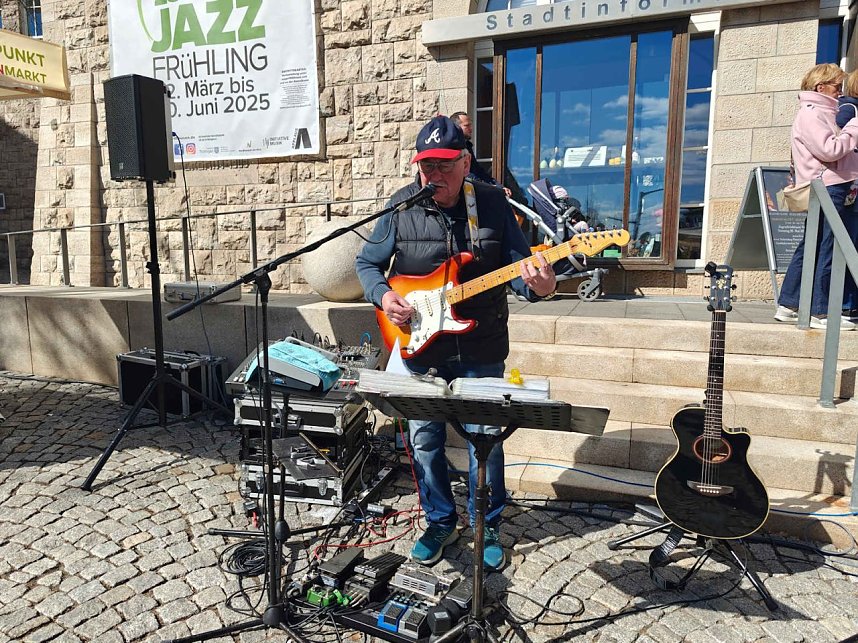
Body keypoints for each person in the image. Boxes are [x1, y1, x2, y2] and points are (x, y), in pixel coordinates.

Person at [355, 115, 557, 570]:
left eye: (445, 165)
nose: (435, 176)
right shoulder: (400, 206)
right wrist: (385, 296)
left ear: (466, 162)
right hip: (419, 348)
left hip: (480, 347)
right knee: (424, 439)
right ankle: (440, 520)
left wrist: (542, 285)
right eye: (426, 166)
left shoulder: (491, 203)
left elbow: (524, 275)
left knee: (486, 440)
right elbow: (367, 264)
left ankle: (487, 525)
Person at [775, 63, 858, 330]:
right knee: (827, 247)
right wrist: (853, 131)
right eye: (836, 86)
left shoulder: (821, 112)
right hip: (827, 186)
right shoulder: (812, 113)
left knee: (811, 245)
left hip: (827, 185)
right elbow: (829, 149)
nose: (839, 92)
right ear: (820, 87)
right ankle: (820, 312)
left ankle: (788, 304)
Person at [449, 111, 513, 197]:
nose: (471, 129)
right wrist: (489, 187)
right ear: (456, 128)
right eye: (467, 126)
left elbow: (478, 171)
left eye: (470, 125)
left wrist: (498, 186)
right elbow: (466, 174)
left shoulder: (467, 146)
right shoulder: (452, 148)